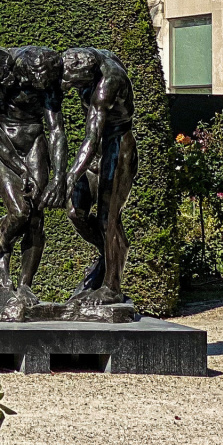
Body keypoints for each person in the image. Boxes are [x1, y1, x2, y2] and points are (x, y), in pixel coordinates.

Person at [0, 46, 65, 302]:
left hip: (33, 142)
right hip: (1, 143)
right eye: (37, 80)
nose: (41, 84)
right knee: (19, 211)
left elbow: (55, 130)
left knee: (35, 215)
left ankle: (25, 284)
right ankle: (2, 251)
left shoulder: (47, 78)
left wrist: (59, 176)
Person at [61, 46, 136, 301]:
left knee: (107, 219)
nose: (65, 84)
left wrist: (69, 177)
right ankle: (111, 254)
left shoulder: (108, 83)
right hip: (97, 150)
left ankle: (112, 287)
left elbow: (91, 138)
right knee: (75, 211)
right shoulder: (85, 60)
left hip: (117, 145)